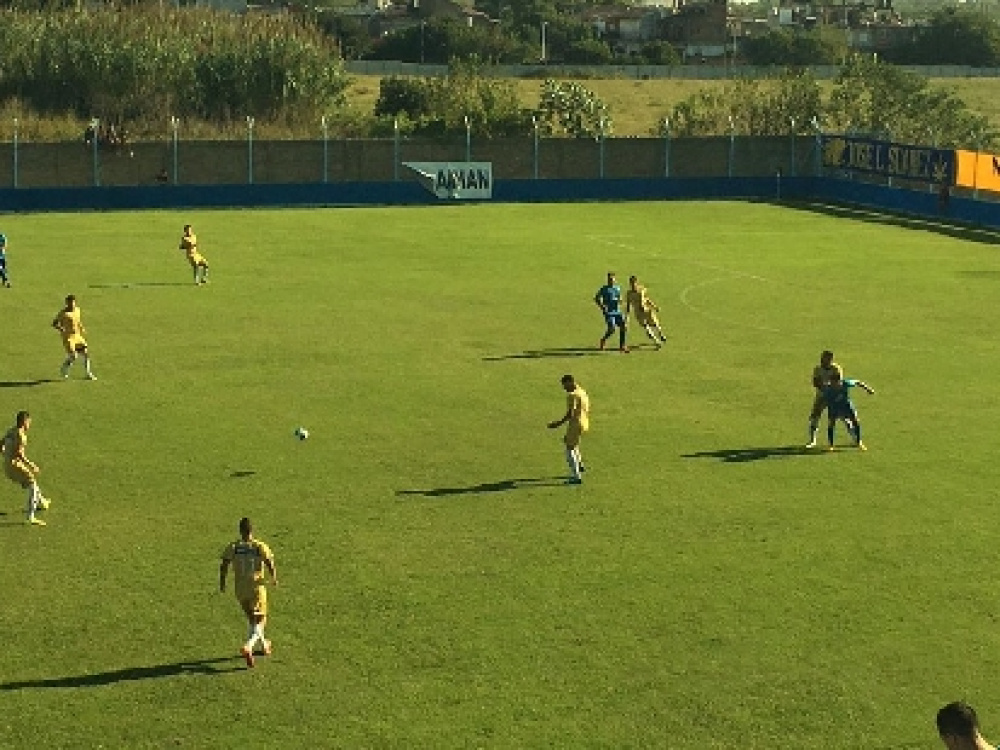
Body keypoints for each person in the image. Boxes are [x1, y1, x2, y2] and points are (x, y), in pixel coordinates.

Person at [220, 517, 278, 668]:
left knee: (252, 620)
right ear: (252, 530)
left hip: (240, 589)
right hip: (256, 587)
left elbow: (224, 564)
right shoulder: (259, 546)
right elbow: (269, 561)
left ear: (240, 531)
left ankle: (264, 646)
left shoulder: (233, 547)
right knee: (261, 620)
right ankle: (249, 646)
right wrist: (274, 577)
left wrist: (222, 583)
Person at [1, 411, 51, 526]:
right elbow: (19, 454)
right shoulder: (22, 437)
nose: (29, 425)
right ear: (24, 422)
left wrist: (6, 455)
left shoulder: (11, 430)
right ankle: (30, 517)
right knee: (32, 484)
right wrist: (31, 465)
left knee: (30, 481)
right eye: (29, 422)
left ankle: (43, 502)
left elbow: (1, 444)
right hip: (15, 465)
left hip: (7, 465)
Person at [547, 374, 590, 485]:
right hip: (584, 422)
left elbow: (570, 413)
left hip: (576, 423)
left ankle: (576, 477)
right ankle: (580, 465)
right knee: (572, 443)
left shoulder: (572, 395)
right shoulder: (582, 391)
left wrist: (557, 424)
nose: (564, 388)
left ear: (570, 382)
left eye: (565, 385)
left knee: (569, 448)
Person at [822, 373, 875, 450]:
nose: (834, 384)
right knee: (831, 424)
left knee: (856, 421)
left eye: (836, 382)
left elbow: (857, 382)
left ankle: (859, 442)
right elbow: (825, 400)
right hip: (834, 407)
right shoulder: (828, 389)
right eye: (832, 382)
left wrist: (868, 389)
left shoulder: (846, 383)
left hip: (846, 406)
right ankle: (831, 445)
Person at [52, 294, 96, 380]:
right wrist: (61, 329)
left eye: (73, 303)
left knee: (86, 354)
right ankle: (64, 368)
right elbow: (54, 323)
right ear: (66, 303)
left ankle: (88, 373)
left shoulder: (77, 310)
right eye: (69, 303)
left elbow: (78, 320)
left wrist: (82, 328)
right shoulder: (63, 314)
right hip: (68, 337)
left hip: (77, 335)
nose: (72, 305)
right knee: (73, 356)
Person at [806, 350, 842, 448]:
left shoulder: (836, 369)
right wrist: (824, 388)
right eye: (822, 358)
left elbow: (838, 383)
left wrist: (830, 389)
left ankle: (855, 438)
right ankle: (812, 440)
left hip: (834, 397)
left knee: (844, 417)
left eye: (826, 358)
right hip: (821, 397)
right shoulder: (818, 369)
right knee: (815, 417)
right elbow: (815, 383)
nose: (822, 360)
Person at [624, 275, 667, 348]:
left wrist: (654, 306)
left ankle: (661, 334)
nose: (633, 285)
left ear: (636, 282)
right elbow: (628, 306)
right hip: (638, 313)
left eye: (634, 283)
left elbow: (647, 299)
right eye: (631, 283)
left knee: (655, 324)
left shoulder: (642, 290)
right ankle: (657, 342)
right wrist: (627, 318)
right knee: (646, 327)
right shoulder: (629, 294)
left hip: (646, 310)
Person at [594, 272, 628, 353]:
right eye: (609, 279)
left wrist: (620, 300)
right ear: (607, 280)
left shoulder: (617, 288)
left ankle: (622, 346)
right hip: (609, 312)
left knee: (624, 326)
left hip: (617, 312)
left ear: (615, 280)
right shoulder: (604, 289)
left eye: (612, 279)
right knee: (612, 329)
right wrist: (602, 307)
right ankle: (603, 340)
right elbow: (597, 298)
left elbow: (620, 297)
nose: (611, 281)